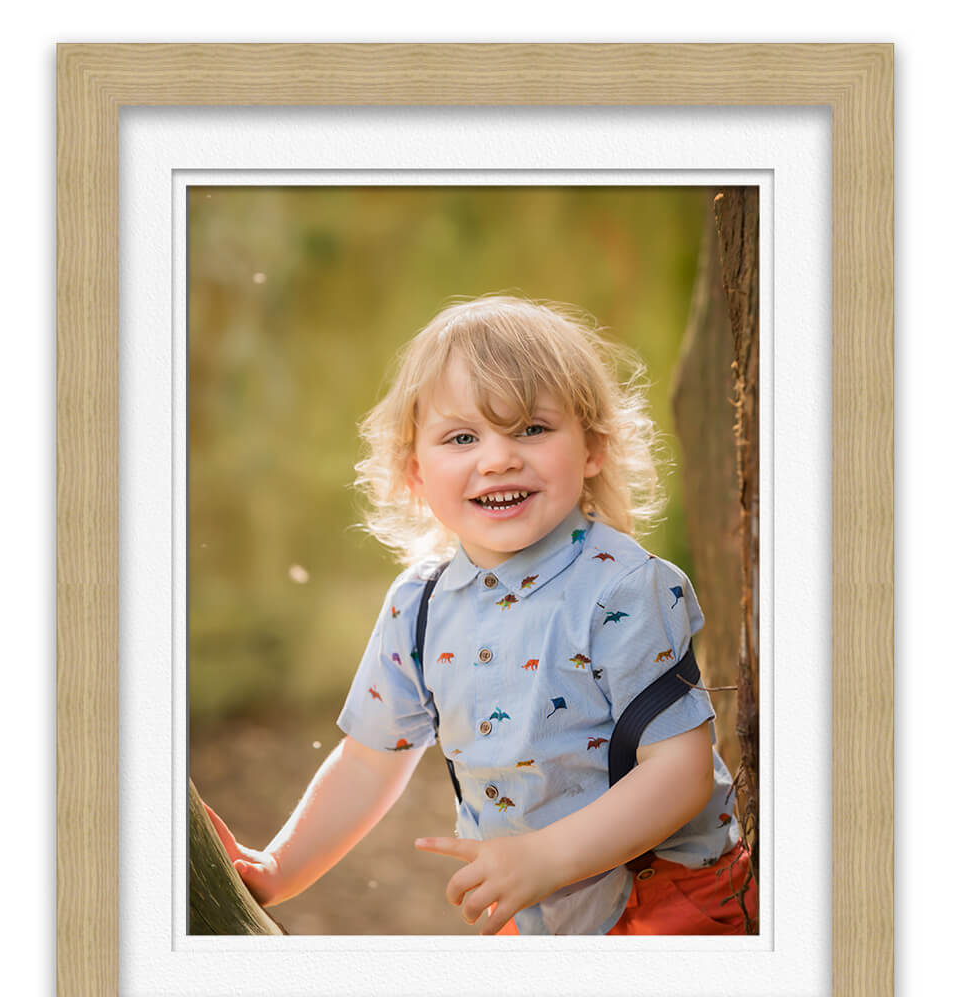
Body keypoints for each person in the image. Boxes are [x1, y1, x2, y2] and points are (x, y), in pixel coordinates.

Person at [205, 295, 757, 935]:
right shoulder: (420, 607)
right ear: (416, 472)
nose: (497, 458)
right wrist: (278, 868)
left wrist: (546, 857)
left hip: (664, 903)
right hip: (528, 910)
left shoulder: (625, 588)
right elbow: (368, 761)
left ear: (593, 449)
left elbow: (681, 774)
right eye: (462, 437)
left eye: (531, 429)